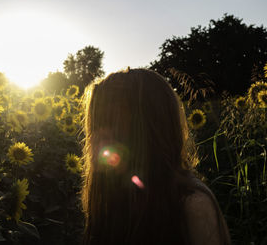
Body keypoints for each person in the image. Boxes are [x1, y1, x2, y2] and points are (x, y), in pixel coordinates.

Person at [80, 68, 231, 245]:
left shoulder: (191, 206)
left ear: (147, 129)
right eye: (96, 125)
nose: (96, 139)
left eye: (109, 123)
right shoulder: (112, 197)